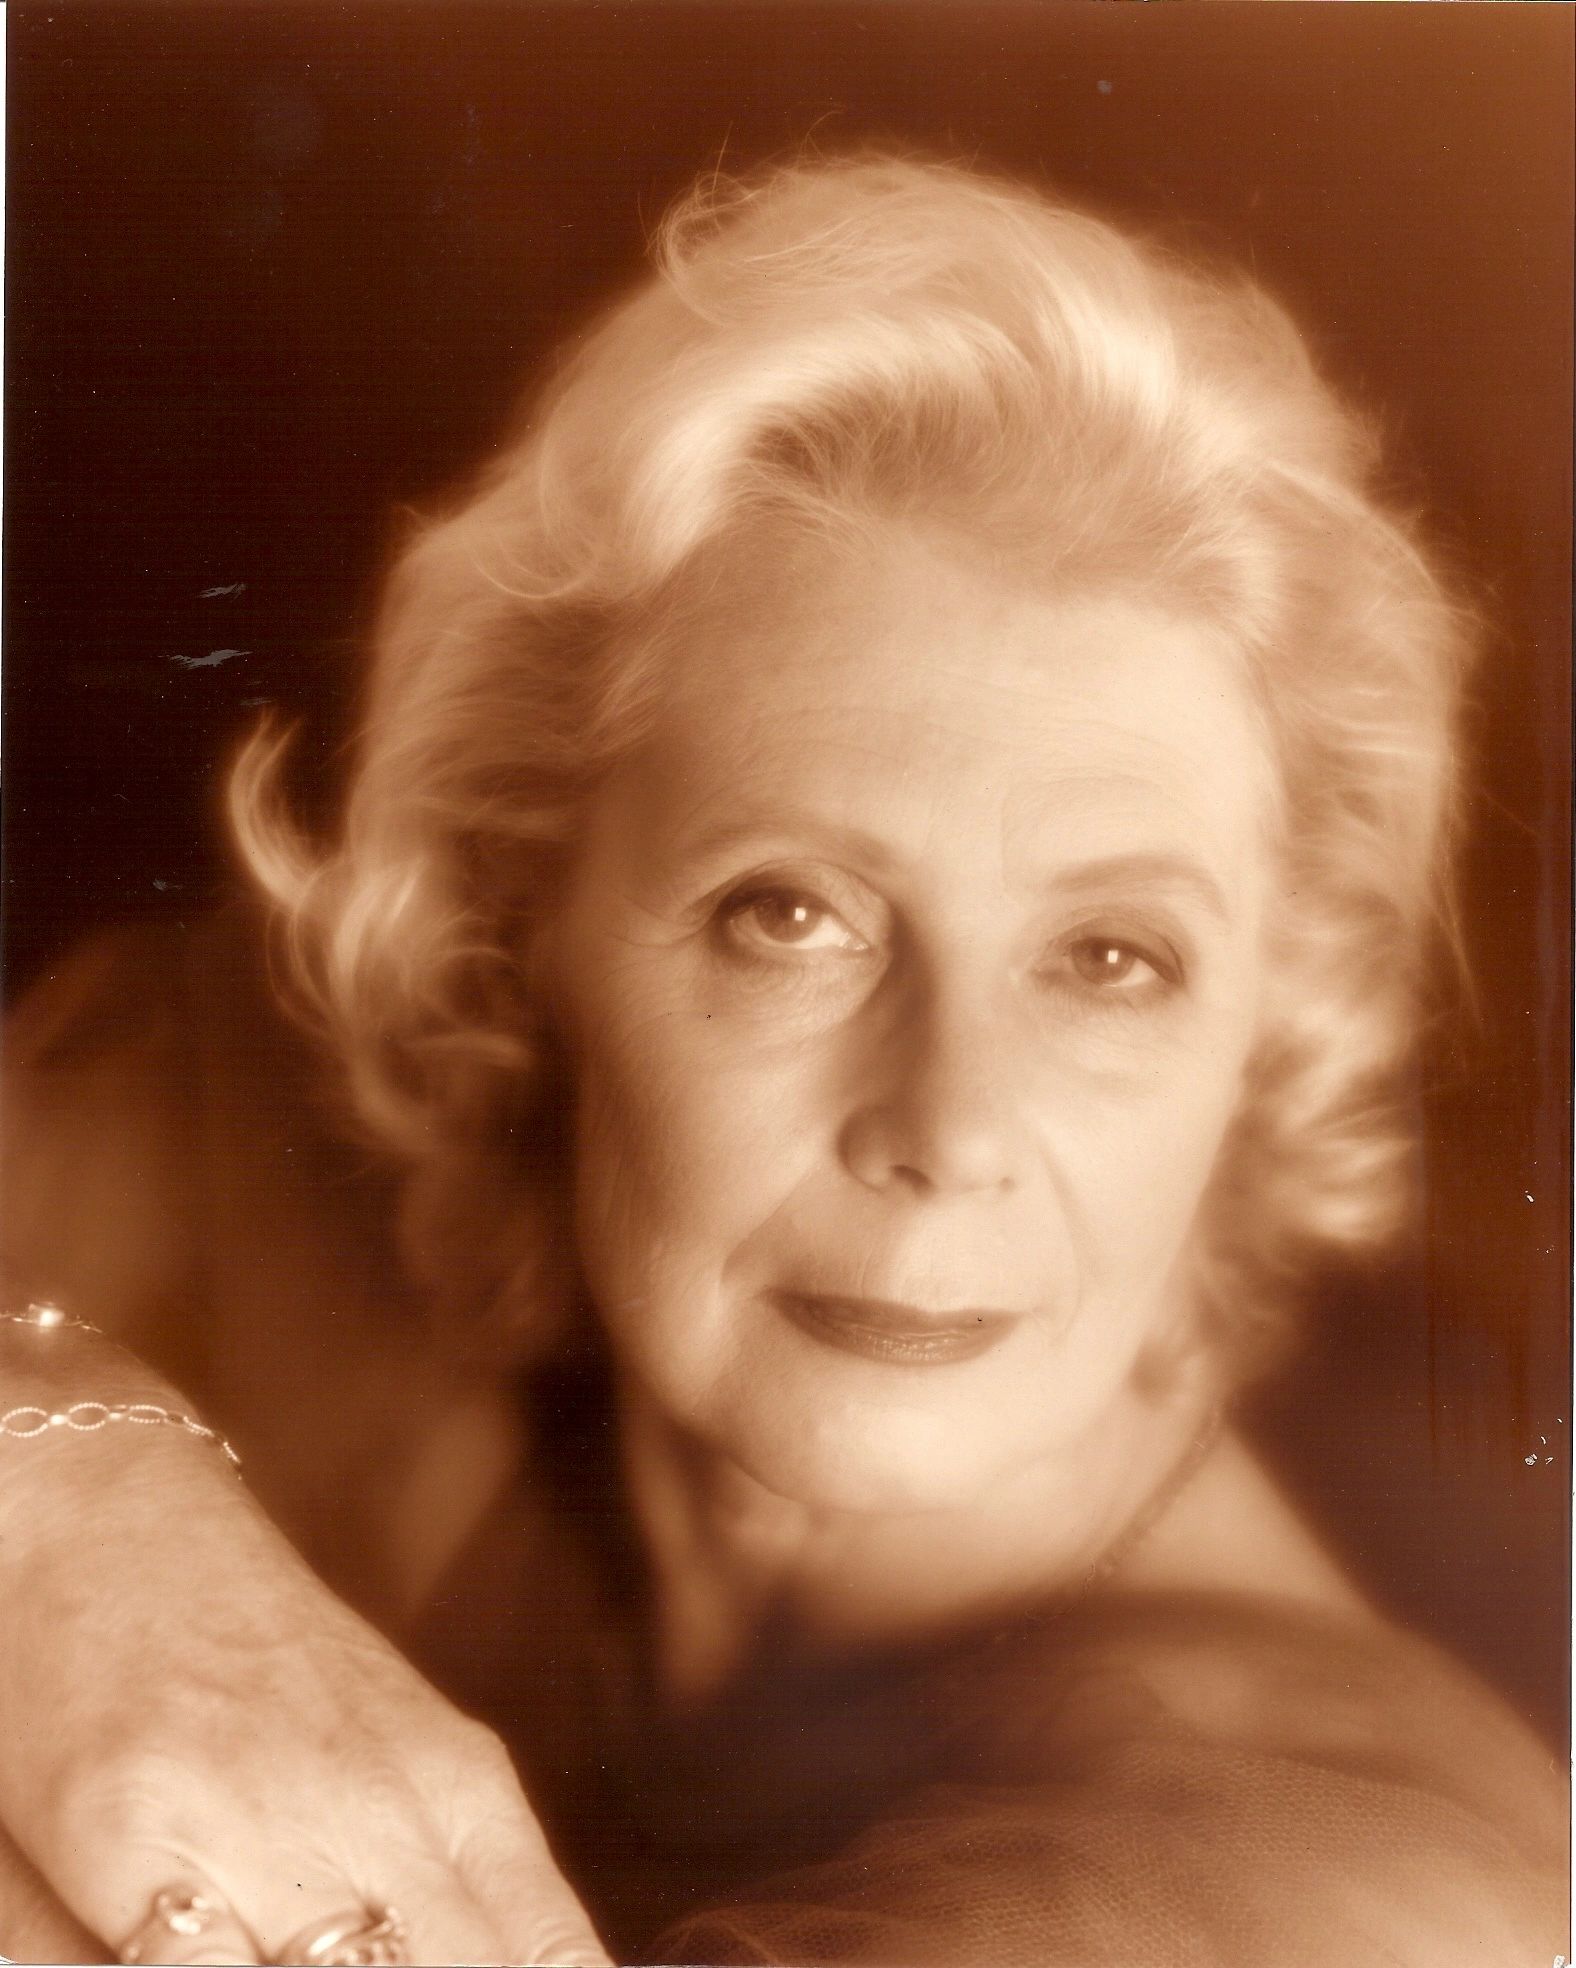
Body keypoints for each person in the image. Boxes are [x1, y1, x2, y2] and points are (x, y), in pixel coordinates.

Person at [0, 152, 1565, 1966]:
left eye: (1110, 959)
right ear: (515, 914)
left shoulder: (1346, 1897)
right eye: (792, 914)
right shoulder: (234, 1140)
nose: (946, 1126)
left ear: (1266, 1037)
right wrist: (61, 1495)